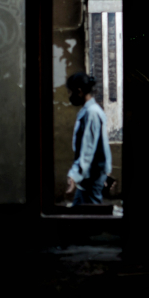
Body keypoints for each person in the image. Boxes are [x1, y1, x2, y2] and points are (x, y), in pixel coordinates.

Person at [65, 72, 113, 206]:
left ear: (79, 91)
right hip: (89, 176)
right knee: (79, 213)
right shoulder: (89, 111)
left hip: (92, 177)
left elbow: (88, 149)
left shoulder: (92, 113)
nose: (70, 96)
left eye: (70, 92)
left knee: (90, 218)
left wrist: (74, 175)